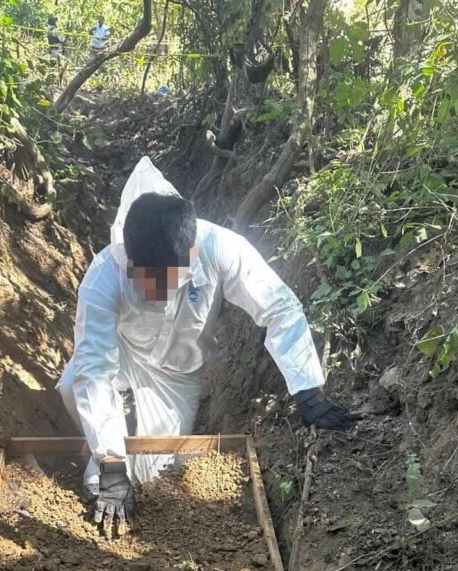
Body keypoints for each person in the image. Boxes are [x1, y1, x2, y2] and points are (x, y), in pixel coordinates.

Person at [57, 157, 352, 535]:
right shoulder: (103, 274)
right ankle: (100, 468)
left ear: (190, 255)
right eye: (143, 280)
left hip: (178, 373)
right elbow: (94, 367)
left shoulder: (220, 249)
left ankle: (128, 461)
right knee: (71, 388)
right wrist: (113, 463)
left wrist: (307, 387)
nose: (152, 292)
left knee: (154, 473)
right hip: (123, 352)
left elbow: (278, 305)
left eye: (162, 282)